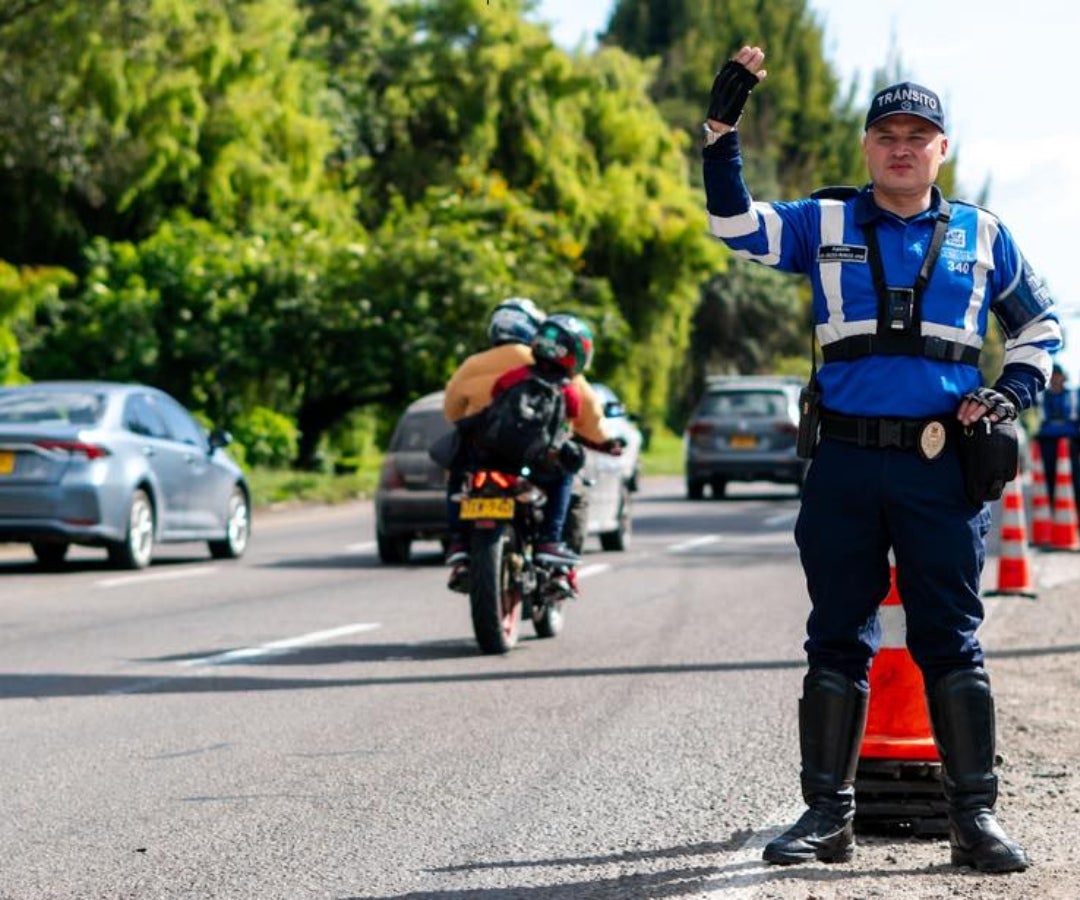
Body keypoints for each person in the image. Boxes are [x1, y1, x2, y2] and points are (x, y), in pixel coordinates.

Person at [702, 46, 1062, 873]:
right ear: (867, 147)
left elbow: (1041, 327)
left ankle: (974, 819)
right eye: (887, 134)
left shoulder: (984, 234)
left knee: (952, 641)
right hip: (845, 466)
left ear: (943, 149)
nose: (902, 147)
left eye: (919, 135)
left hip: (943, 471)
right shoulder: (821, 222)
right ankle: (826, 818)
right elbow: (734, 227)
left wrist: (1009, 393)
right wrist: (721, 134)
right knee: (837, 637)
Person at [442, 300, 617, 591]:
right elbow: (586, 414)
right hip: (535, 460)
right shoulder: (552, 366)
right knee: (568, 481)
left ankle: (458, 541)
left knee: (457, 473)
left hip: (484, 456)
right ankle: (552, 547)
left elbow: (451, 412)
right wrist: (606, 441)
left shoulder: (473, 364)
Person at [1035, 363, 1079, 507]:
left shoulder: (1073, 394)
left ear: (1063, 377)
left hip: (1070, 440)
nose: (1055, 379)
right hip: (1047, 440)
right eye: (1052, 376)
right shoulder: (1042, 396)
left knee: (1073, 473)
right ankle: (1053, 503)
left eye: (1058, 376)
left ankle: (1075, 504)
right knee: (1049, 472)